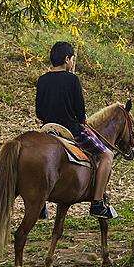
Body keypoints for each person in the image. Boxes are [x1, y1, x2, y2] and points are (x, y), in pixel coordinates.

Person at [36, 41, 117, 219]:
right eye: (72, 59)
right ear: (67, 59)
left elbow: (39, 111)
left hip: (47, 128)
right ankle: (97, 203)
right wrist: (80, 119)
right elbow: (80, 113)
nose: (72, 63)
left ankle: (40, 203)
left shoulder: (42, 80)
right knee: (107, 156)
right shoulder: (72, 79)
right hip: (70, 130)